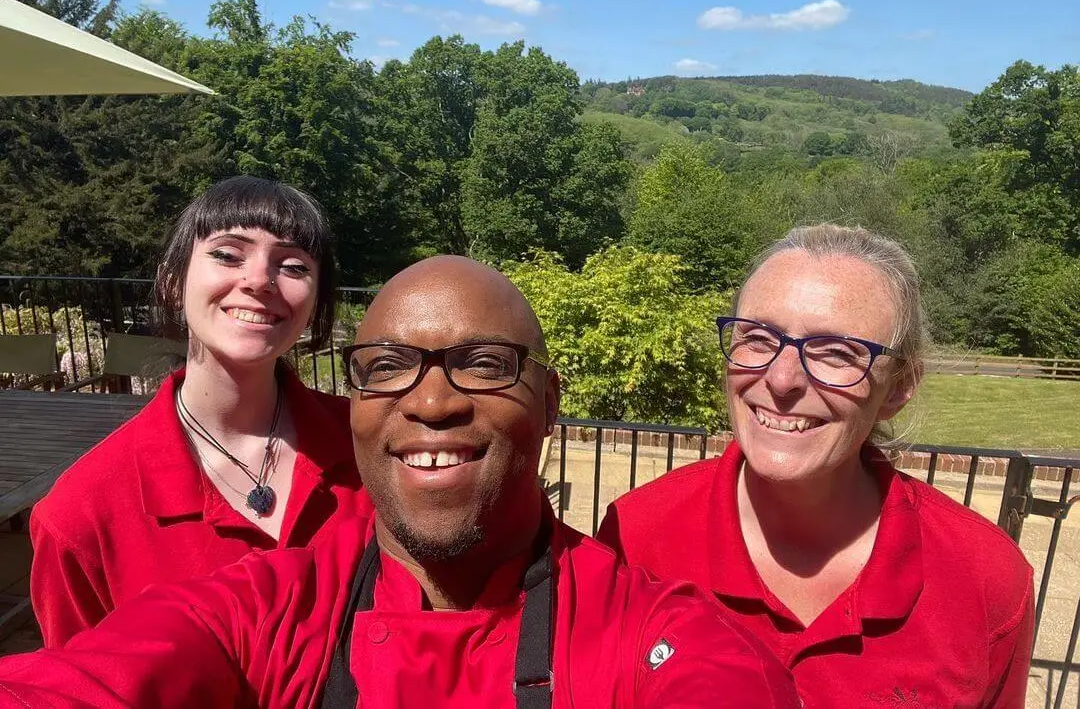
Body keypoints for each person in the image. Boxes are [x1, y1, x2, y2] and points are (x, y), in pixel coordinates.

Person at [0, 256, 800, 709]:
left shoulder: (647, 635)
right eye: (386, 369)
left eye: (485, 364)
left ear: (550, 404)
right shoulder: (266, 612)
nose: (430, 400)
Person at [597, 224, 1035, 708]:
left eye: (836, 352)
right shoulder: (636, 536)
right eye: (759, 339)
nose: (782, 379)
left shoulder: (984, 578)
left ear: (899, 387)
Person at [30, 176, 369, 647]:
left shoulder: (373, 447)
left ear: (315, 303)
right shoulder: (81, 516)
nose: (258, 281)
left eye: (292, 266)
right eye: (228, 254)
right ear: (173, 281)